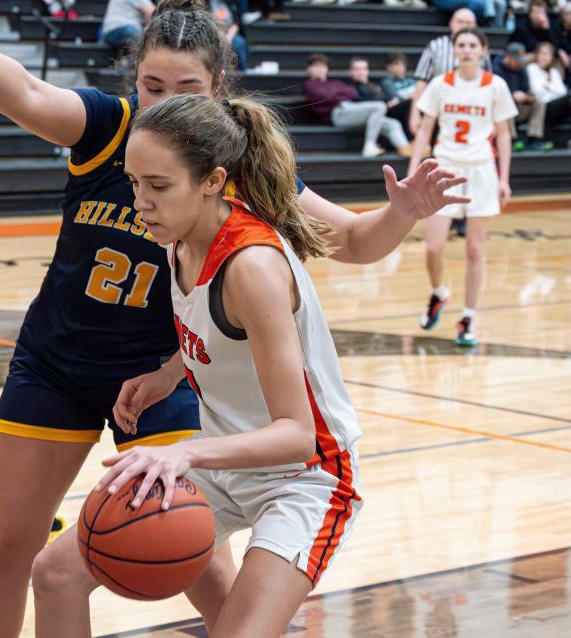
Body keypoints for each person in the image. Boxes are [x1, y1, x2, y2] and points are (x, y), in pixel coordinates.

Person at [0, 0, 466, 634]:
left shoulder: (239, 223)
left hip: (267, 451)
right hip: (69, 364)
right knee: (29, 561)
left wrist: (405, 213)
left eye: (184, 89)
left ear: (217, 95)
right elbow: (26, 92)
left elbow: (349, 243)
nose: (161, 105)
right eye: (149, 87)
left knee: (194, 565)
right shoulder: (133, 157)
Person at [34, 92, 369, 638]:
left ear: (212, 181)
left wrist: (184, 451)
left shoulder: (252, 266)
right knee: (55, 573)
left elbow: (296, 434)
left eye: (158, 186)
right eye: (134, 182)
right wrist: (167, 373)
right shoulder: (179, 235)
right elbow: (217, 331)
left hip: (306, 478)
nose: (140, 201)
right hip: (225, 461)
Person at [409, 27, 516, 347]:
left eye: (472, 45)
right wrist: (414, 172)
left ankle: (468, 316)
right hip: (446, 167)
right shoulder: (441, 85)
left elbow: (504, 134)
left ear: (483, 50)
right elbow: (425, 130)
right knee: (433, 247)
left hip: (481, 170)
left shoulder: (496, 86)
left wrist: (503, 177)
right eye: (461, 45)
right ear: (454, 50)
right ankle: (439, 292)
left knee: (474, 248)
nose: (466, 50)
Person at [304, 54, 409, 157]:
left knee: (392, 124)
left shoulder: (335, 82)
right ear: (309, 69)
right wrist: (339, 94)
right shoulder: (310, 85)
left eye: (322, 66)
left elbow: (352, 93)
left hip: (350, 110)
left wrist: (336, 94)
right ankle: (370, 146)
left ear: (327, 69)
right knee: (379, 106)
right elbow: (326, 96)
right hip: (337, 113)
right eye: (315, 66)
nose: (319, 69)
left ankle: (405, 148)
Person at [410, 8, 488, 136]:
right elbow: (421, 81)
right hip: (438, 110)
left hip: (472, 110)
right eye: (460, 21)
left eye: (468, 23)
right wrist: (415, 113)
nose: (464, 26)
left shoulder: (480, 50)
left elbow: (487, 82)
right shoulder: (435, 46)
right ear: (451, 23)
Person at [525, 41, 571, 149]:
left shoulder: (554, 72)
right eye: (542, 53)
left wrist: (548, 86)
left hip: (559, 105)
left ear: (551, 57)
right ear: (536, 55)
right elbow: (537, 91)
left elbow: (562, 91)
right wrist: (553, 88)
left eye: (547, 54)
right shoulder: (531, 68)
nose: (544, 57)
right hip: (544, 107)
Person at [347, 57, 412, 155]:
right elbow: (359, 103)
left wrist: (391, 101)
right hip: (365, 115)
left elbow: (386, 98)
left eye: (364, 69)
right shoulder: (350, 88)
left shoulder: (374, 85)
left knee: (399, 116)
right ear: (351, 71)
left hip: (386, 112)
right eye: (357, 69)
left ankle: (407, 148)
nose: (361, 72)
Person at [493, 42, 536, 149]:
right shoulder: (496, 69)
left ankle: (535, 137)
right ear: (507, 57)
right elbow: (495, 95)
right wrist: (512, 95)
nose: (519, 63)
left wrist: (528, 96)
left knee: (539, 102)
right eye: (517, 60)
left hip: (520, 107)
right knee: (505, 101)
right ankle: (512, 138)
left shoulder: (522, 68)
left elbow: (526, 89)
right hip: (501, 112)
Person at [212, 0, 248, 71]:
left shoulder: (231, 3)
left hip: (230, 34)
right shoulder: (206, 3)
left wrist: (228, 38)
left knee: (239, 42)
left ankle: (243, 74)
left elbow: (236, 24)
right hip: (212, 34)